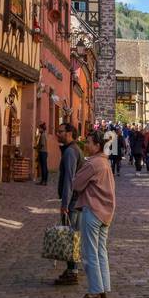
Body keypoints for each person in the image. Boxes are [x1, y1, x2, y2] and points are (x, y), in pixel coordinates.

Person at [72, 129, 116, 298]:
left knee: (90, 253)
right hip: (106, 212)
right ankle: (103, 289)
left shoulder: (93, 163)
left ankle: (94, 292)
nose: (86, 144)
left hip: (93, 210)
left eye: (89, 142)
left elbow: (76, 183)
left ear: (97, 145)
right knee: (101, 252)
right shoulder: (105, 162)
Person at [53, 122, 81, 286]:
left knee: (71, 237)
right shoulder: (72, 149)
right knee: (72, 236)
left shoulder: (71, 152)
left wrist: (65, 203)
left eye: (61, 131)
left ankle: (73, 271)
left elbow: (70, 180)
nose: (58, 134)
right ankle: (71, 269)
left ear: (69, 133)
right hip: (75, 201)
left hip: (73, 202)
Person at [35, 121, 49, 186]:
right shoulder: (45, 134)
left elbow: (42, 144)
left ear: (42, 129)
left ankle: (44, 181)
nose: (39, 129)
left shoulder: (43, 135)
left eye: (39, 128)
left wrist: (37, 147)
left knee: (43, 167)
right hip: (44, 152)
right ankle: (44, 180)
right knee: (44, 167)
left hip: (43, 152)